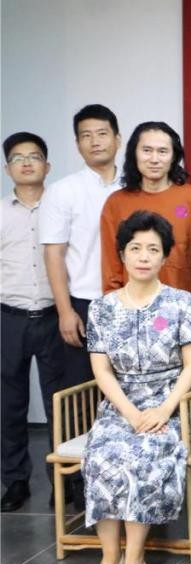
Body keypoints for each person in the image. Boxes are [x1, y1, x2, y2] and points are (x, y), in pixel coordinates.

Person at [78, 211, 191, 564]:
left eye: (153, 249)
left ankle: (134, 559)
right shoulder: (101, 308)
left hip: (168, 402)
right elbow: (101, 369)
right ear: (122, 254)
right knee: (100, 457)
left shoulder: (180, 302)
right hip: (119, 406)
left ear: (165, 256)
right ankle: (108, 558)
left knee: (143, 456)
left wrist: (165, 409)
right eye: (135, 248)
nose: (144, 256)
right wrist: (130, 414)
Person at [1, 132, 65, 513]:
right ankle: (15, 481)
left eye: (34, 156)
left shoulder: (60, 208)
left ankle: (63, 481)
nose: (26, 163)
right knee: (10, 403)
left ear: (47, 165)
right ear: (7, 168)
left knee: (60, 402)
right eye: (17, 158)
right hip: (9, 317)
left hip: (56, 315)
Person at [39, 104, 122, 392]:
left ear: (118, 139)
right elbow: (53, 254)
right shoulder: (62, 191)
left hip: (130, 300)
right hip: (84, 303)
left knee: (131, 387)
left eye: (102, 133)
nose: (95, 141)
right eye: (86, 136)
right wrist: (65, 311)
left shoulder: (135, 186)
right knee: (81, 391)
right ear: (77, 144)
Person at [100, 121, 191, 321]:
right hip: (132, 314)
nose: (154, 159)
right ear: (134, 154)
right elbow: (111, 266)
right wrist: (117, 314)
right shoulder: (116, 203)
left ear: (174, 156)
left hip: (185, 313)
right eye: (147, 150)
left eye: (163, 151)